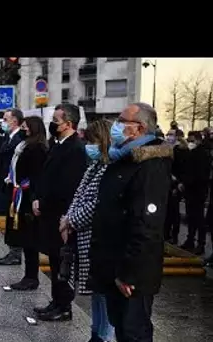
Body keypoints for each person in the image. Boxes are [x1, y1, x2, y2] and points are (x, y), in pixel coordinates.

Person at [90, 103, 172, 342]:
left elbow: (146, 225)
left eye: (121, 120)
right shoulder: (124, 158)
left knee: (134, 331)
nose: (115, 125)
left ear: (138, 128)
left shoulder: (150, 164)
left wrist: (129, 275)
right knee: (122, 328)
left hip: (132, 273)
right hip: (113, 264)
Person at [59, 120, 115, 342]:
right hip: (84, 236)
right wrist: (67, 218)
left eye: (92, 141)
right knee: (95, 291)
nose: (88, 146)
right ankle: (96, 332)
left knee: (104, 292)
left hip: (96, 236)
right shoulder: (94, 166)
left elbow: (95, 204)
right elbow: (79, 196)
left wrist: (71, 221)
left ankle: (105, 335)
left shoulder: (109, 168)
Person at [32, 103, 87, 321]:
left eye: (56, 121)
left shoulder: (75, 149)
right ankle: (56, 301)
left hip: (62, 216)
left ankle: (64, 306)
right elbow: (46, 177)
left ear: (69, 124)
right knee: (55, 261)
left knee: (63, 263)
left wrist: (45, 205)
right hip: (49, 212)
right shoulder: (58, 144)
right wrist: (37, 198)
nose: (52, 125)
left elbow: (67, 187)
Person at [5, 116, 48, 291]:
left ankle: (31, 277)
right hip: (20, 193)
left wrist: (31, 193)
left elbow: (36, 174)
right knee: (24, 236)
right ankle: (28, 275)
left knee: (30, 238)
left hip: (29, 196)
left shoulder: (36, 148)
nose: (23, 130)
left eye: (25, 127)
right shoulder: (23, 146)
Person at [0, 109, 26, 266]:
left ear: (14, 121)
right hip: (6, 183)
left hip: (14, 186)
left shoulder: (20, 138)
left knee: (14, 219)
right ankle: (12, 251)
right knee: (9, 218)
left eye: (6, 119)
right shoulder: (8, 137)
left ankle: (15, 253)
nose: (3, 122)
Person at [178, 131, 210, 255]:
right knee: (191, 217)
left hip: (198, 191)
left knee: (198, 218)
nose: (190, 143)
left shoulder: (202, 154)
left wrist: (185, 183)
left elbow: (198, 174)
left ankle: (200, 244)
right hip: (191, 191)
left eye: (191, 141)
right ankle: (190, 240)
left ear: (197, 140)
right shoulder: (194, 153)